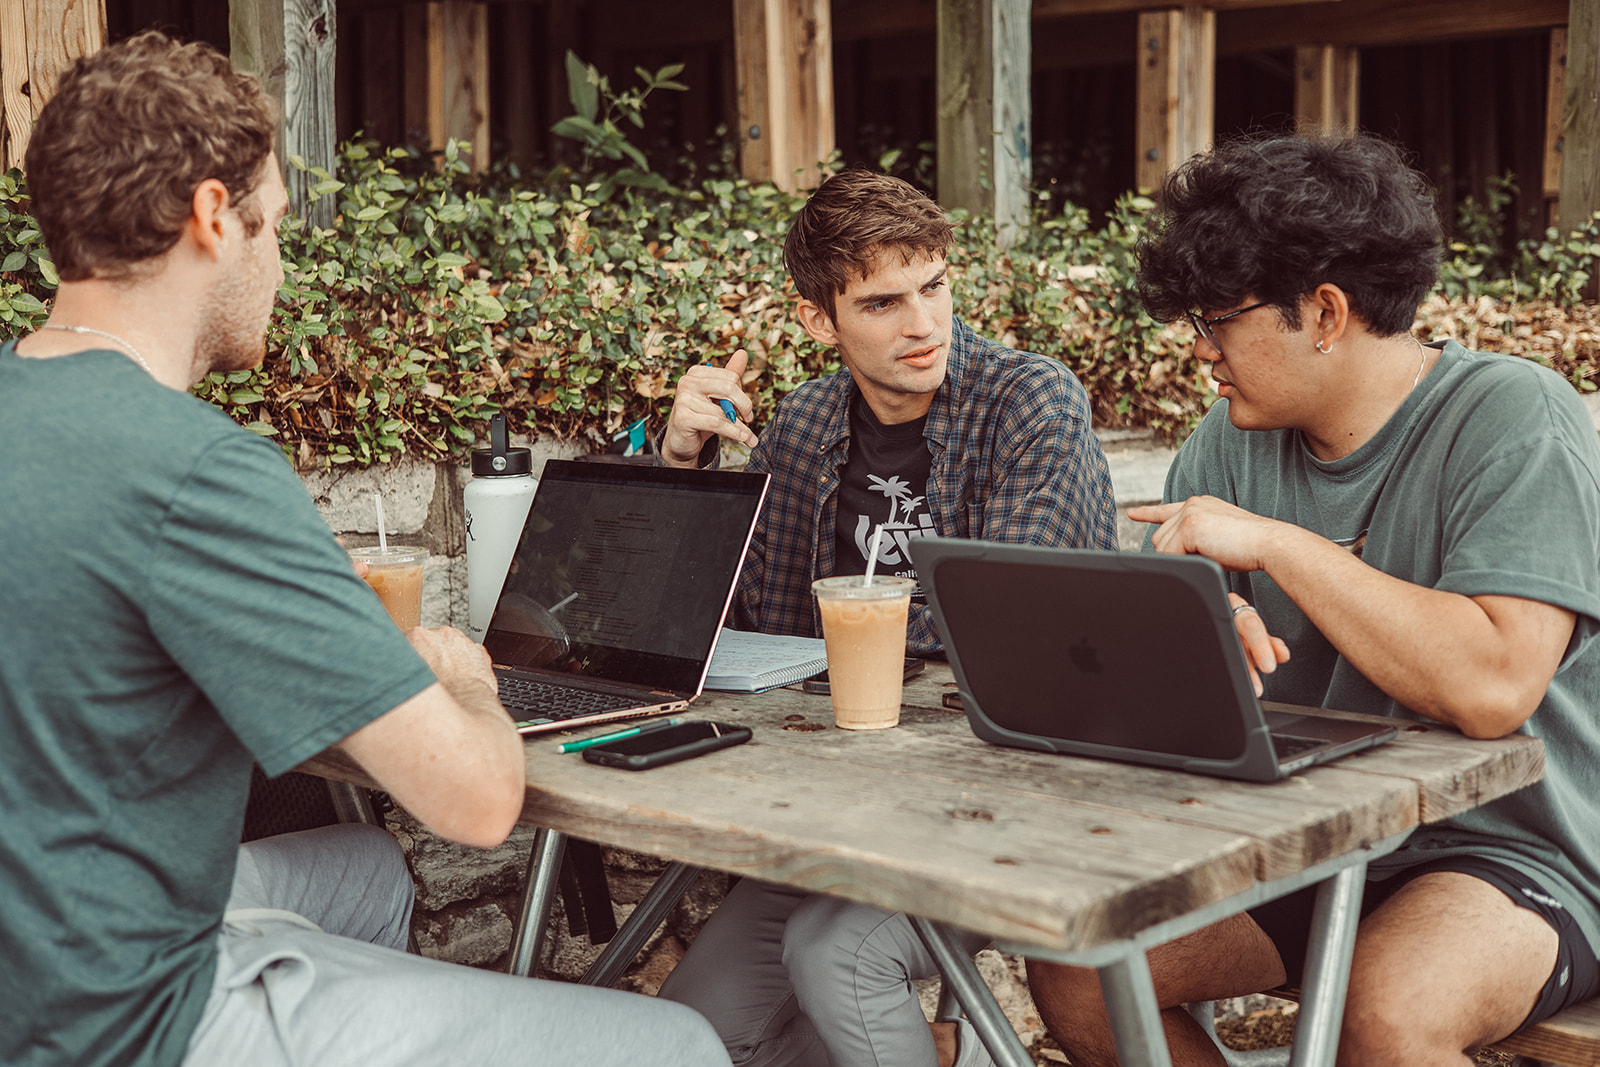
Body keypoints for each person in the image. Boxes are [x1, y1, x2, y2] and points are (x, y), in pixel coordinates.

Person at [0, 31, 730, 1067]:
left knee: (363, 868)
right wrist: (462, 677)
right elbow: (476, 801)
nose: (280, 266)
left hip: (33, 932)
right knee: (679, 1043)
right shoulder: (199, 468)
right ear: (214, 217)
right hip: (108, 1018)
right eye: (275, 228)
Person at [1026, 133, 1600, 1066]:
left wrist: (1281, 548)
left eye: (1220, 319)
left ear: (1325, 312)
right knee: (1085, 961)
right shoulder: (1228, 440)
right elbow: (1165, 671)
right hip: (1315, 841)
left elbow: (1494, 685)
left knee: (1383, 1011)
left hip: (1513, 849)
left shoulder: (1513, 414)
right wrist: (1197, 635)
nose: (1202, 350)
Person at [657, 169, 1119, 1067]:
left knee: (835, 955)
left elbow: (1013, 633)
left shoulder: (1029, 402)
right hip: (842, 809)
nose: (923, 323)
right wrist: (683, 462)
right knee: (697, 1035)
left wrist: (859, 649)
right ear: (818, 320)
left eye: (934, 287)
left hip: (992, 804)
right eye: (883, 302)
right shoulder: (803, 425)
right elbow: (724, 621)